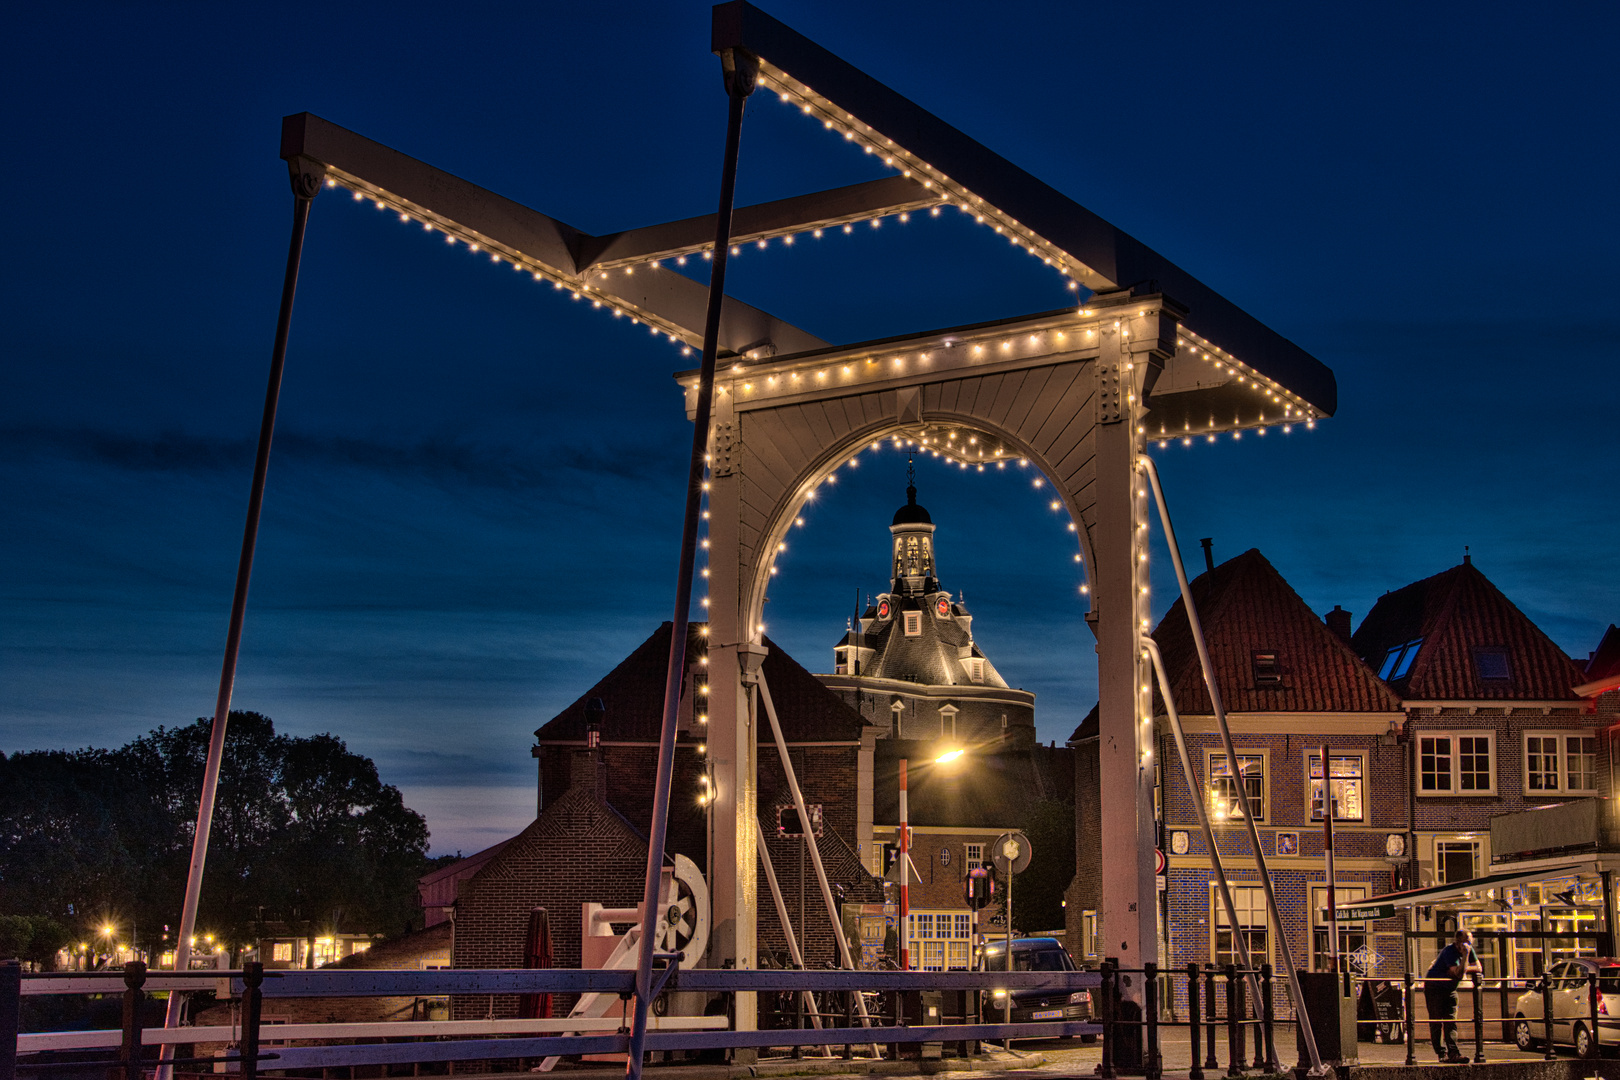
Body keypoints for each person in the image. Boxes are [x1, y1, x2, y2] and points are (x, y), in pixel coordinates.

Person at [1425, 929, 1481, 1062]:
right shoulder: (1449, 951)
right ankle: (1441, 1054)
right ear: (1458, 943)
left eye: (1470, 942)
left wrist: (1464, 964)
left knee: (1451, 1021)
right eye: (1467, 942)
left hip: (1450, 989)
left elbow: (1479, 968)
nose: (1469, 945)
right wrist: (1466, 959)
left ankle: (1454, 1053)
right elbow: (1458, 974)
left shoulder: (1468, 949)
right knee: (1436, 1021)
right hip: (1435, 988)